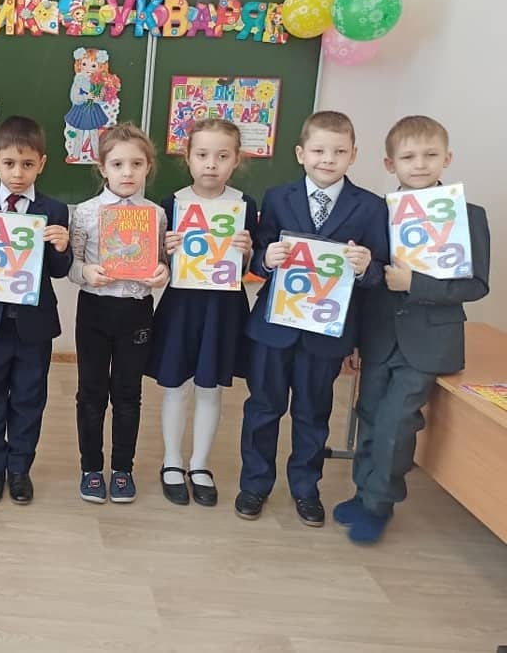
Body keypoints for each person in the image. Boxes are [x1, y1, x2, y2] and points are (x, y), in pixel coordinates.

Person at [335, 115, 490, 543]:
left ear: (447, 158)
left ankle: (378, 504)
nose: (419, 164)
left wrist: (413, 283)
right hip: (379, 337)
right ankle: (363, 492)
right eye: (408, 157)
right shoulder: (377, 212)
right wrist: (354, 340)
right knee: (369, 416)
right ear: (390, 164)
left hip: (428, 341)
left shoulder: (468, 216)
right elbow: (364, 282)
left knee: (396, 423)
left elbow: (477, 284)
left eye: (430, 155)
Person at [237, 110, 389, 527]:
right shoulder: (277, 197)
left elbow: (379, 274)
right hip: (274, 326)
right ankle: (254, 484)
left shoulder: (371, 207)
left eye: (339, 151)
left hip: (327, 332)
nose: (328, 159)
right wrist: (265, 259)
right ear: (300, 153)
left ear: (353, 155)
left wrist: (366, 267)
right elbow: (260, 252)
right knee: (262, 409)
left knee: (313, 414)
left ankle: (306, 489)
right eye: (319, 150)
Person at [0, 115, 72, 504]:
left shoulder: (55, 210)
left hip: (34, 326)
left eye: (27, 164)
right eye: (9, 163)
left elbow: (59, 270)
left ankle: (20, 468)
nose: (18, 173)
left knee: (28, 397)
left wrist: (61, 248)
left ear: (42, 164)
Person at [148, 119, 257, 507]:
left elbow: (249, 267)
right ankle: (172, 461)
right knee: (176, 385)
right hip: (182, 306)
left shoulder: (244, 205)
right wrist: (165, 250)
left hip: (223, 308)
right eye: (203, 155)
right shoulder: (171, 203)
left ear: (236, 160)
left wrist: (247, 251)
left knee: (211, 387)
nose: (211, 164)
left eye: (222, 156)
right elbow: (156, 265)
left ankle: (199, 464)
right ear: (188, 158)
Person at [68, 123, 169, 504]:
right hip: (95, 309)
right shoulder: (85, 213)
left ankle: (123, 469)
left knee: (129, 393)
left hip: (137, 311)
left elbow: (162, 261)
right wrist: (86, 272)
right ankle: (91, 468)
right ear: (102, 168)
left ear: (148, 168)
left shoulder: (156, 215)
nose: (127, 172)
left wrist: (163, 273)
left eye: (136, 164)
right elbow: (72, 264)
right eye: (118, 164)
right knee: (91, 393)